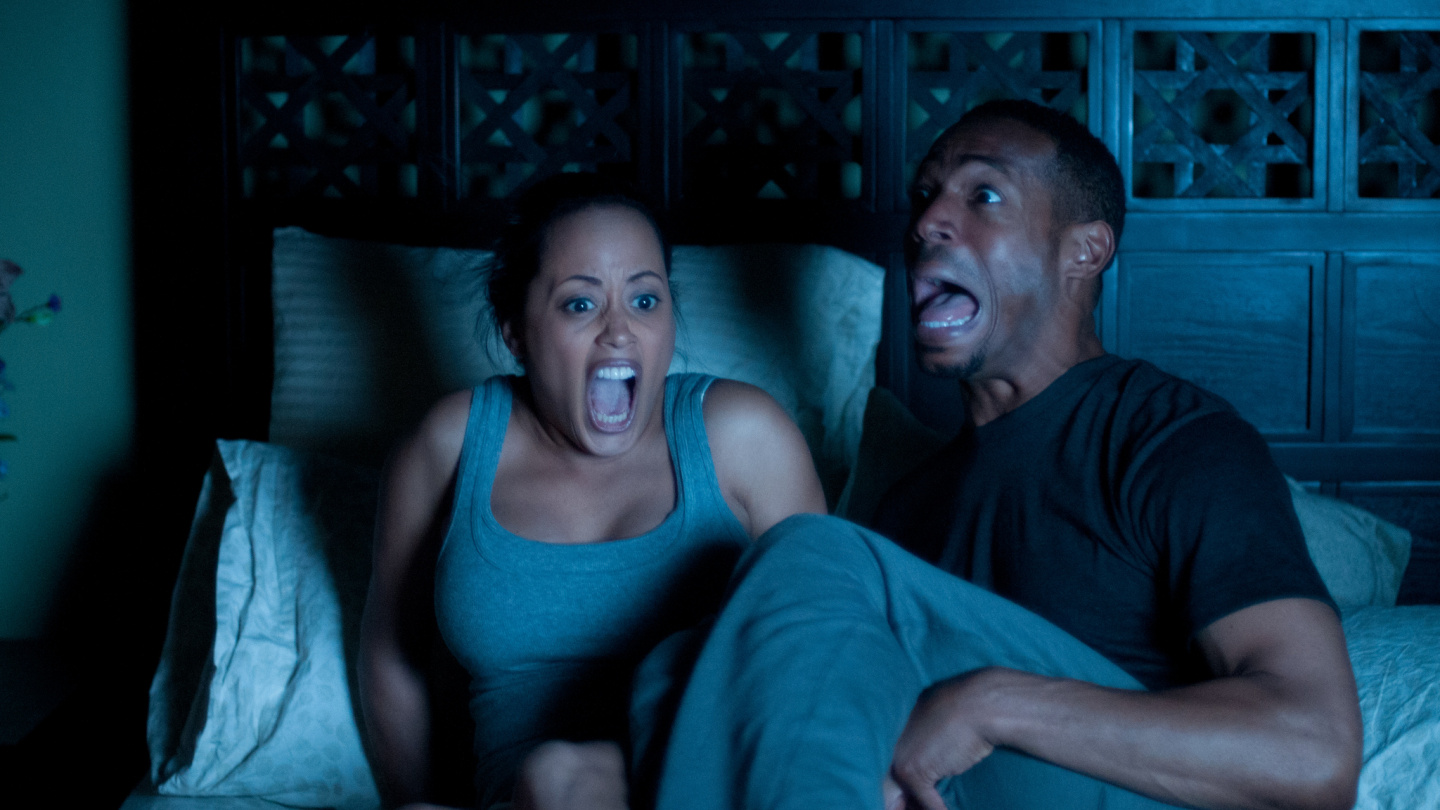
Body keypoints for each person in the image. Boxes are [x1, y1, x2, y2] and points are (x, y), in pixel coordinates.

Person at [635, 100, 1362, 810]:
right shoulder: (906, 507)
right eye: (925, 196)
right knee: (674, 671)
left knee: (812, 551)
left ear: (1085, 251)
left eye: (983, 195)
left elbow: (1314, 753)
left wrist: (994, 704)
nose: (926, 223)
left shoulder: (1174, 440)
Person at [357, 173, 827, 810]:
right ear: (514, 330)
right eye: (580, 304)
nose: (619, 330)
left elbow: (826, 641)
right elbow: (393, 660)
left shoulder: (743, 435)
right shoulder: (447, 447)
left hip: (708, 788)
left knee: (563, 782)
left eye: (645, 300)